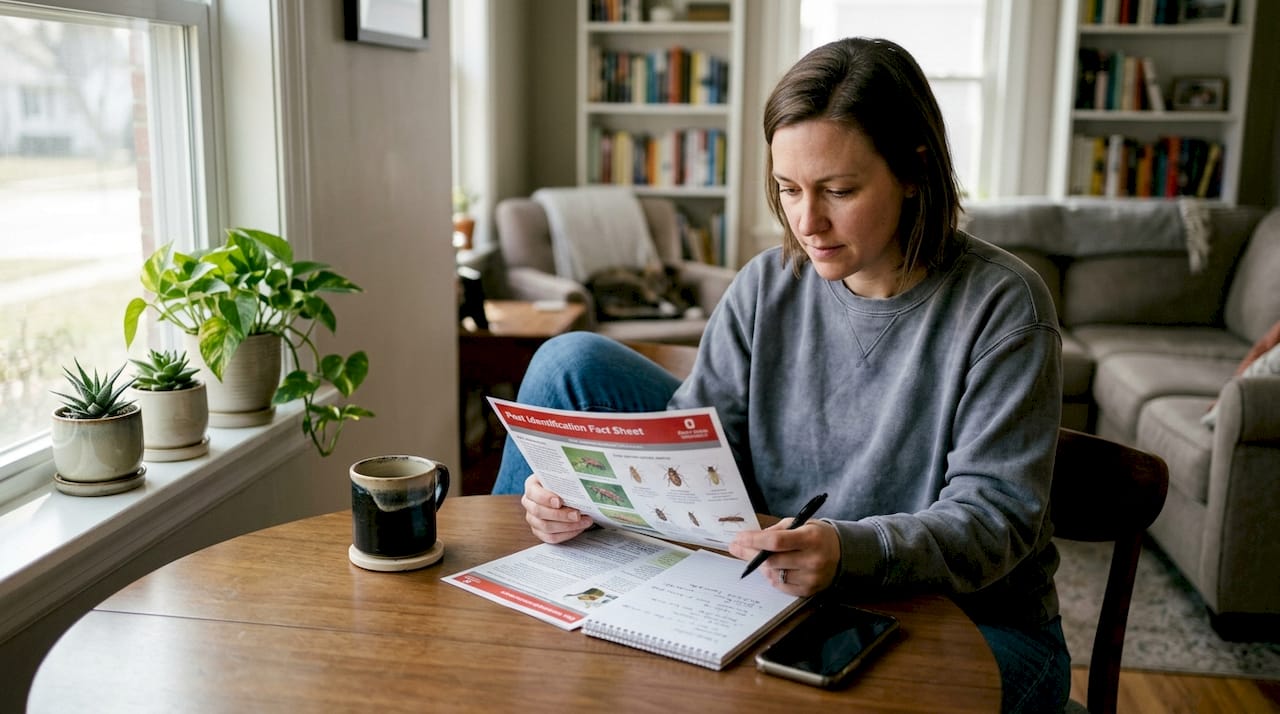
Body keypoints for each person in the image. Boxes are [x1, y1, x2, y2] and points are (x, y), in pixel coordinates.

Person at [492, 37, 1068, 713]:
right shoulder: (768, 282)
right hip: (782, 583)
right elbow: (699, 449)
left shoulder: (1005, 305)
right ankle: (510, 621)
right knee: (568, 363)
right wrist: (583, 497)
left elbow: (992, 520)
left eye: (839, 190)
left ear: (915, 170)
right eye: (788, 189)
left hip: (972, 620)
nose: (807, 221)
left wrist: (847, 549)